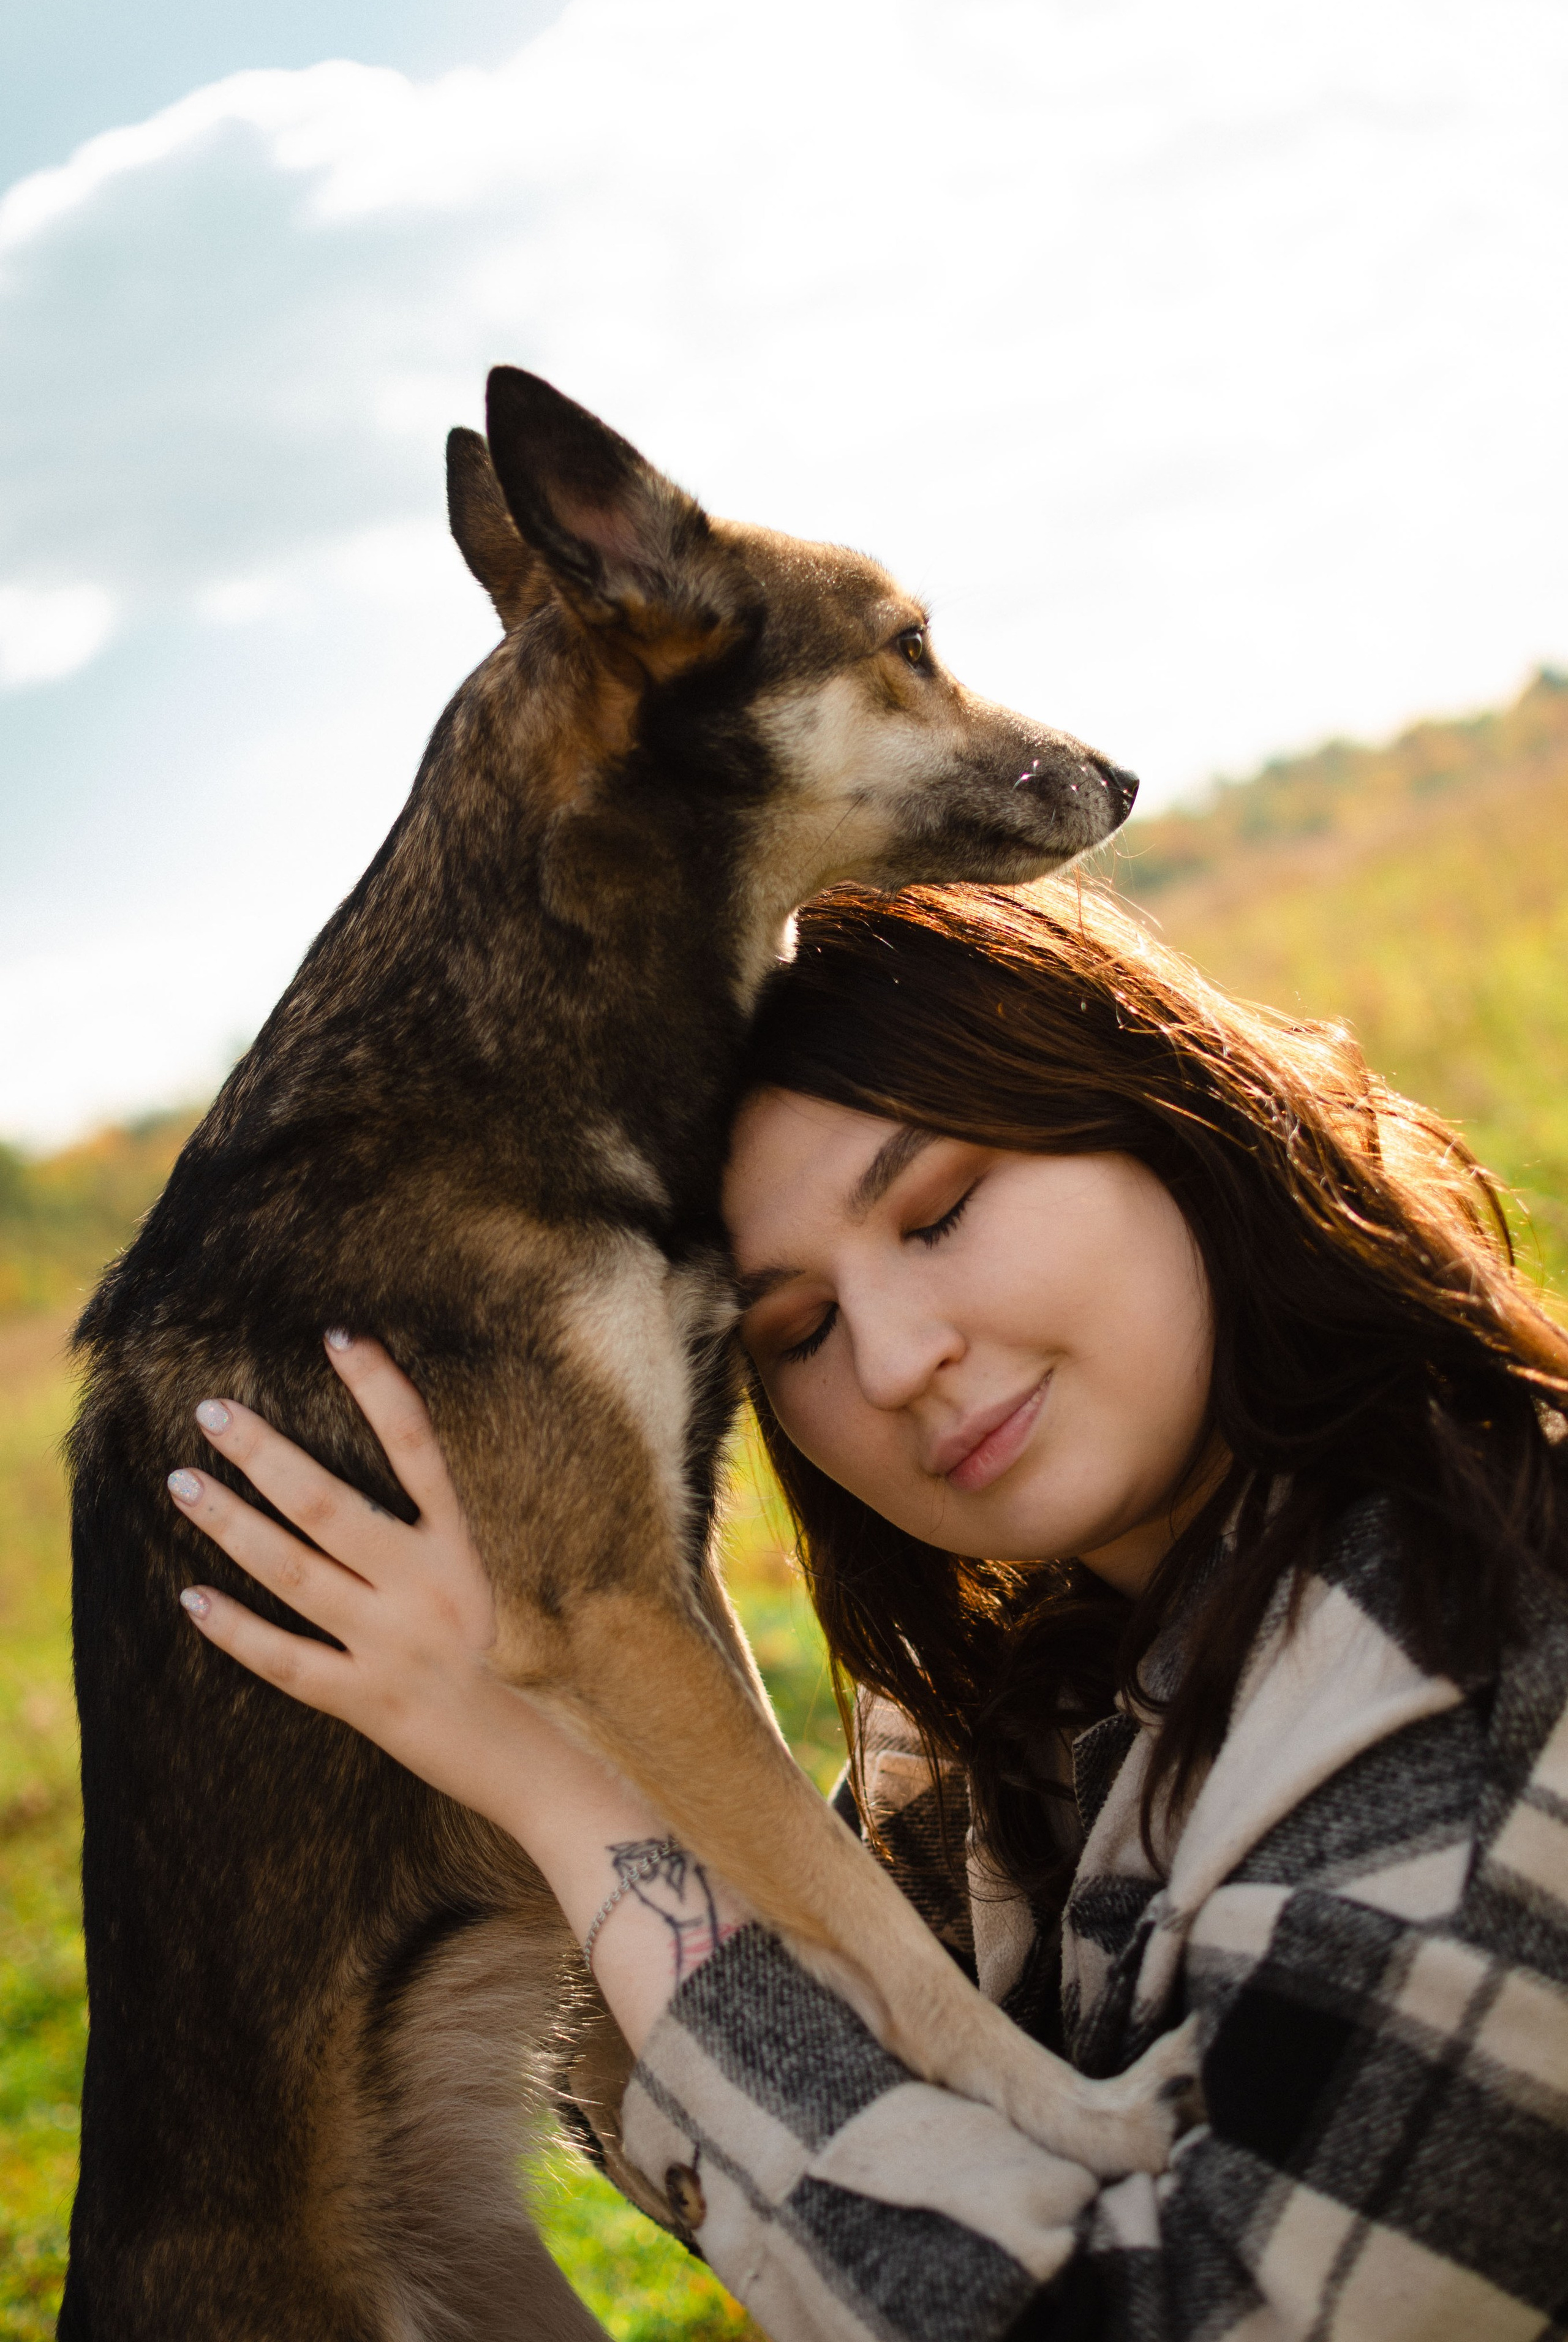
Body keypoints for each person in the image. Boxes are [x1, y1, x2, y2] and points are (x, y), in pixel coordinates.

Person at [167, 880, 1568, 2341]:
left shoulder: (1467, 1662)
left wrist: (558, 1781)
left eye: (940, 1209)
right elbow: (827, 2102)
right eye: (801, 1330)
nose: (895, 1360)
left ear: (1161, 1106)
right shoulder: (1028, 1689)